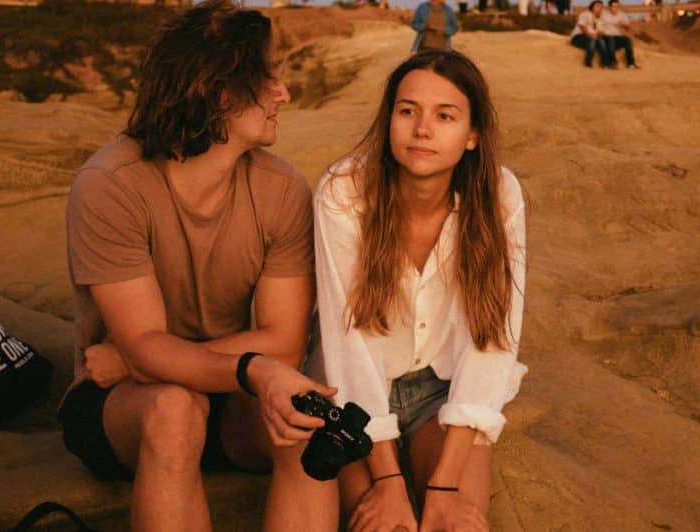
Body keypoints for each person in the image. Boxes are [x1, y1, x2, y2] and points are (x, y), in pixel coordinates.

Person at [57, 1, 339, 530]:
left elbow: (282, 341)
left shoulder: (281, 189)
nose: (284, 93)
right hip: (125, 405)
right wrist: (143, 365)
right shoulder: (112, 185)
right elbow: (146, 346)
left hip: (232, 397)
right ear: (216, 90)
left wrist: (138, 359)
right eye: (267, 78)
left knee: (310, 417)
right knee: (175, 410)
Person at [309, 49, 528, 532]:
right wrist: (387, 480)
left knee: (457, 522)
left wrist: (444, 486)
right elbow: (349, 349)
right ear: (390, 120)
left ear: (472, 135)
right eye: (407, 111)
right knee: (379, 522)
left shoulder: (499, 194)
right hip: (352, 392)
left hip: (439, 387)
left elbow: (492, 340)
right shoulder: (343, 191)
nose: (422, 129)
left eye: (445, 116)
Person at [570, 1, 613, 68]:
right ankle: (588, 63)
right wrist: (591, 35)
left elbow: (600, 32)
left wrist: (600, 33)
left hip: (591, 38)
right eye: (598, 6)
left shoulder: (599, 20)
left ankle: (606, 64)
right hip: (577, 37)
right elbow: (582, 26)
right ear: (592, 7)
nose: (600, 8)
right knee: (592, 40)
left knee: (601, 41)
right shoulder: (585, 14)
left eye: (601, 7)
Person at [600, 0, 640, 69]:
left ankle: (631, 64)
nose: (615, 8)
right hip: (605, 36)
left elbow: (628, 27)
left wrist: (624, 25)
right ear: (609, 7)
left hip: (617, 37)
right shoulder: (603, 14)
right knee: (610, 38)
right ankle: (613, 62)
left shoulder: (622, 14)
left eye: (617, 6)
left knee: (627, 39)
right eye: (613, 6)